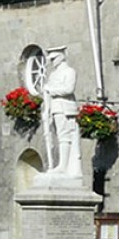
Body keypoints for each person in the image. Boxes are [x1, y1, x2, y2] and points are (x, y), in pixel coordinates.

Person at [41, 46, 82, 179]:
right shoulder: (53, 74)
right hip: (55, 108)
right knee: (59, 136)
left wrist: (51, 90)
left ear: (61, 57)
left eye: (53, 59)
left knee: (65, 136)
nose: (52, 62)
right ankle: (60, 165)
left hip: (66, 108)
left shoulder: (69, 71)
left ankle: (63, 166)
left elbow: (68, 89)